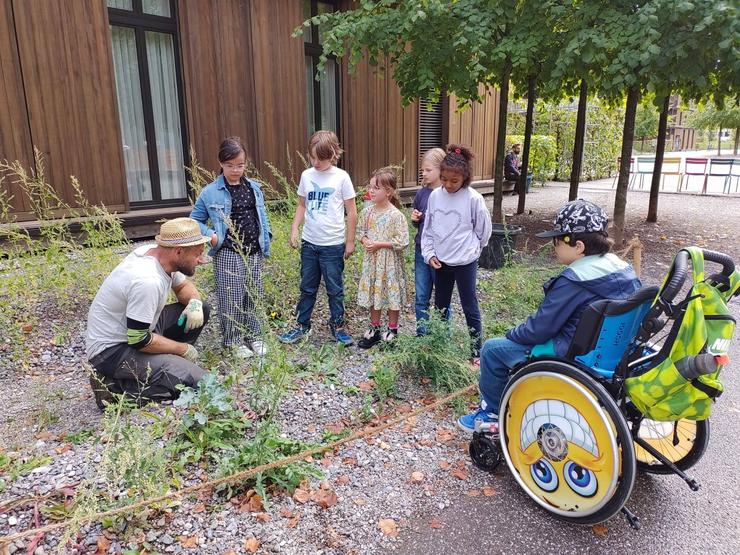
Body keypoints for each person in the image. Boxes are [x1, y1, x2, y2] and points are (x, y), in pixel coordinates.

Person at [457, 199, 642, 433]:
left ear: (579, 247)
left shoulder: (574, 280)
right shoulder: (622, 269)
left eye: (557, 241)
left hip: (572, 355)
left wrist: (512, 333)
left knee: (492, 350)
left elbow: (538, 329)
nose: (554, 247)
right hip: (612, 352)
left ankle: (492, 412)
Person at [85, 217, 212, 409]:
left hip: (137, 332)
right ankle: (112, 390)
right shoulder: (147, 280)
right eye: (198, 254)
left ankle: (165, 365)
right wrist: (183, 349)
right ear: (179, 251)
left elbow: (184, 285)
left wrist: (194, 302)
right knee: (198, 383)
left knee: (202, 308)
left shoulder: (157, 253)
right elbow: (139, 340)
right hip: (112, 351)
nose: (201, 260)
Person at [190, 137, 272, 359]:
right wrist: (212, 236)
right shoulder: (210, 192)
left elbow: (262, 216)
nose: (235, 170)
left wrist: (267, 237)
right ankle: (233, 341)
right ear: (221, 163)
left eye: (240, 165)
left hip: (253, 250)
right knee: (231, 297)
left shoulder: (254, 188)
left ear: (246, 163)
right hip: (228, 252)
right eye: (230, 165)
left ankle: (255, 336)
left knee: (254, 295)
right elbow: (195, 220)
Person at [279, 130, 357, 345]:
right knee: (307, 287)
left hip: (332, 245)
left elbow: (352, 211)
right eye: (312, 157)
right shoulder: (307, 175)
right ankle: (302, 325)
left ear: (333, 154)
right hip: (310, 244)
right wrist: (295, 229)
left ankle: (338, 325)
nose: (315, 162)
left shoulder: (342, 177)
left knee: (335, 288)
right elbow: (302, 205)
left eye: (321, 159)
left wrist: (350, 241)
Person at [421, 144, 492, 361]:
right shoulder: (434, 197)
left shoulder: (473, 199)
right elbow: (429, 229)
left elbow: (483, 230)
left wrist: (473, 251)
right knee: (440, 305)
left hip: (465, 262)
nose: (449, 185)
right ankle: (439, 346)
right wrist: (429, 253)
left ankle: (476, 351)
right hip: (441, 262)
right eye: (444, 179)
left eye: (455, 181)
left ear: (465, 178)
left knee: (469, 305)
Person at [356, 168, 409, 348]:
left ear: (389, 191)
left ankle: (392, 329)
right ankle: (375, 328)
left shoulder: (396, 215)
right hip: (373, 261)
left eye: (376, 188)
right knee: (374, 292)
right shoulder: (367, 212)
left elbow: (402, 240)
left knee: (391, 293)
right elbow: (360, 231)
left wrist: (379, 244)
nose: (371, 191)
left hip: (390, 262)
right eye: (370, 187)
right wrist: (365, 240)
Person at [411, 147, 445, 336]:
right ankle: (422, 334)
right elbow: (417, 224)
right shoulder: (421, 193)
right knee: (421, 295)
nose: (424, 173)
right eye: (423, 170)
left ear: (441, 169)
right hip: (421, 249)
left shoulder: (446, 193)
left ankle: (442, 335)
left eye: (428, 170)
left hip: (441, 252)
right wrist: (415, 218)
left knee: (442, 297)